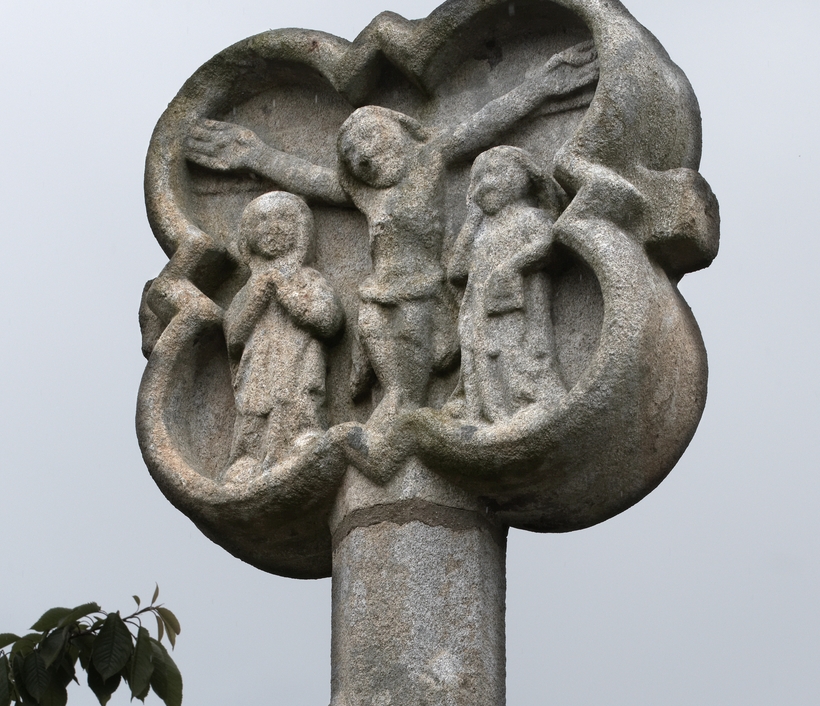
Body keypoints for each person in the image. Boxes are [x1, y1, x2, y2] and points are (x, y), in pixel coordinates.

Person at [186, 43, 596, 419]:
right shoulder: (365, 195)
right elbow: (312, 179)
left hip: (421, 290)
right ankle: (395, 420)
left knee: (415, 386)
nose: (362, 153)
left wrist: (542, 87)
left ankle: (425, 420)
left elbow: (480, 124)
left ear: (399, 130)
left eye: (369, 136)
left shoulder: (428, 162)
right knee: (393, 388)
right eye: (351, 152)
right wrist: (257, 155)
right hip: (376, 297)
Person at [223, 190, 343, 467]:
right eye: (262, 220)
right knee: (253, 412)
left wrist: (286, 294)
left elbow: (328, 320)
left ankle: (301, 439)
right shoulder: (247, 291)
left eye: (283, 219)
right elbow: (234, 339)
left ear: (301, 230)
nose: (272, 228)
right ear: (247, 235)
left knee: (297, 403)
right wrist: (257, 300)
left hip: (299, 363)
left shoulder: (307, 278)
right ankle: (248, 458)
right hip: (257, 368)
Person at [446, 145, 566, 423]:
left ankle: (534, 402)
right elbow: (456, 269)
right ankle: (488, 411)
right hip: (479, 311)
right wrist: (472, 220)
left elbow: (546, 245)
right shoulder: (481, 230)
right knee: (484, 356)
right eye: (478, 178)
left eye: (497, 173)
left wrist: (513, 265)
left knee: (521, 352)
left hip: (521, 306)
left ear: (525, 177)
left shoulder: (531, 217)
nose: (486, 184)